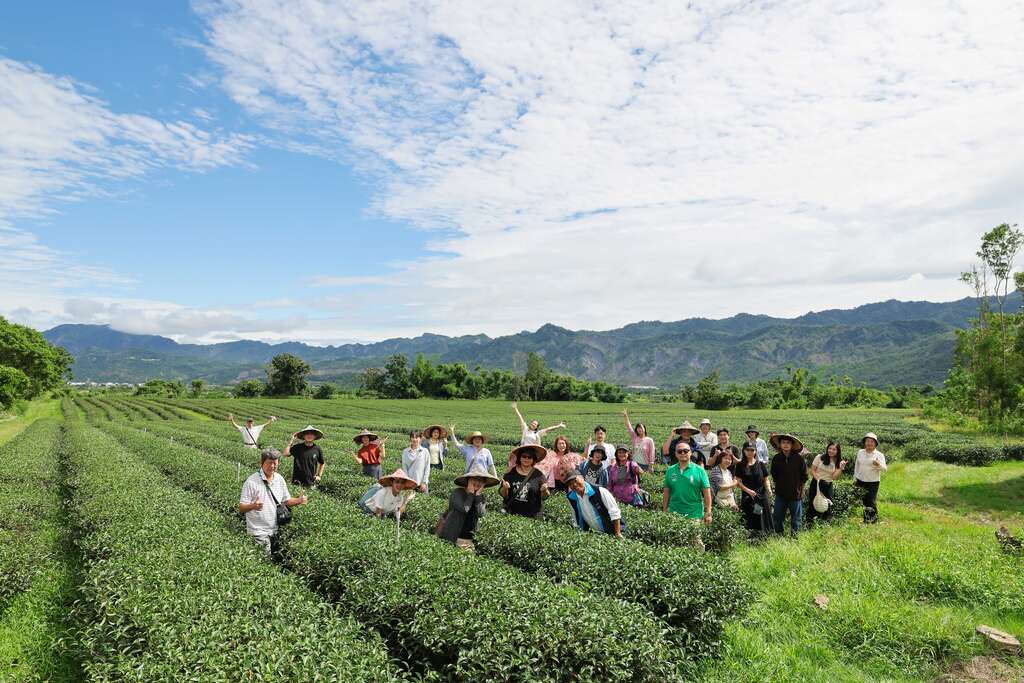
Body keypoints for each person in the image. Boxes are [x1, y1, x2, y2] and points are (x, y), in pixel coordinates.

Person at [238, 448, 308, 556]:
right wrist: (253, 506)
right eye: (269, 463)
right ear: (261, 463)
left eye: (275, 463)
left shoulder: (279, 479)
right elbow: (242, 507)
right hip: (258, 532)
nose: (272, 466)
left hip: (275, 529)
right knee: (264, 561)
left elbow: (286, 501)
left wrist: (299, 500)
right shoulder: (251, 481)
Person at [438, 467, 500, 549]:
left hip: (469, 539)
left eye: (481, 480)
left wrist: (477, 496)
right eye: (475, 479)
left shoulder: (480, 497)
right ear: (468, 480)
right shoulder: (457, 493)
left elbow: (481, 513)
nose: (478, 482)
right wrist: (471, 494)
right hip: (453, 537)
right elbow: (464, 509)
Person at [662, 442, 712, 525]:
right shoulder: (670, 470)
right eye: (679, 451)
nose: (682, 453)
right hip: (674, 514)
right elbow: (667, 492)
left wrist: (708, 512)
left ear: (690, 452)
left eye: (685, 451)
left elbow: (707, 493)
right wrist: (664, 510)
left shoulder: (700, 471)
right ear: (676, 454)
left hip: (694, 515)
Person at [770, 433, 807, 536]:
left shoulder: (799, 459)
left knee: (796, 518)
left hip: (796, 493)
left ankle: (795, 537)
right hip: (781, 494)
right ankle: (779, 535)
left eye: (788, 443)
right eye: (783, 442)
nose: (785, 445)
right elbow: (774, 475)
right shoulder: (776, 458)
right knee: (778, 516)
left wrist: (802, 490)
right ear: (780, 445)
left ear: (792, 445)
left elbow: (804, 476)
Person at [500, 444, 550, 518]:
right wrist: (505, 488)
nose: (526, 459)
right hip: (511, 515)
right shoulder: (510, 473)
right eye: (524, 456)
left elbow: (545, 497)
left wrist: (544, 491)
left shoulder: (538, 475)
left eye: (529, 457)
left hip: (533, 515)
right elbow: (503, 495)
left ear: (533, 459)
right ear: (519, 458)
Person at [736, 442, 773, 533]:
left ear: (755, 451)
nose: (750, 452)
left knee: (763, 517)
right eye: (747, 450)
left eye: (752, 450)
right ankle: (751, 539)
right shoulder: (740, 465)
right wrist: (748, 491)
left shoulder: (760, 464)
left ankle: (764, 538)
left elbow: (766, 479)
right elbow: (738, 482)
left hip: (761, 496)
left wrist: (768, 488)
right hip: (748, 497)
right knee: (750, 518)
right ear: (744, 451)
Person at [807, 441, 846, 525]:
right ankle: (809, 523)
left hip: (827, 485)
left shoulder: (838, 462)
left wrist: (841, 468)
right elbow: (812, 470)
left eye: (834, 449)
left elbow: (834, 477)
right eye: (830, 448)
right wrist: (817, 478)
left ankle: (825, 524)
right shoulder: (820, 457)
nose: (831, 451)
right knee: (813, 503)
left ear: (837, 451)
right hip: (816, 483)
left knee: (827, 504)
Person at [854, 432, 887, 524]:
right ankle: (866, 520)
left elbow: (885, 469)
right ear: (865, 442)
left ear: (875, 443)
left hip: (873, 481)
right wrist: (855, 477)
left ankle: (874, 520)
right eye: (867, 441)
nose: (869, 443)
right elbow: (857, 465)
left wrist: (878, 464)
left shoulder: (879, 455)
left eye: (872, 441)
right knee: (864, 501)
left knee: (871, 501)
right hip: (860, 480)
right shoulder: (860, 452)